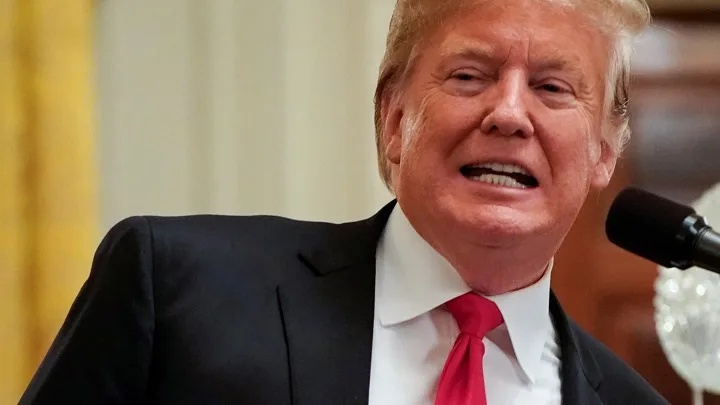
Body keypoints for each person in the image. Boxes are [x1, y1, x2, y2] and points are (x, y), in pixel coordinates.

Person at [20, 0, 669, 404]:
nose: (507, 112)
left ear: (603, 154)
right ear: (392, 119)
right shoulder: (177, 289)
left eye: (553, 88)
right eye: (469, 76)